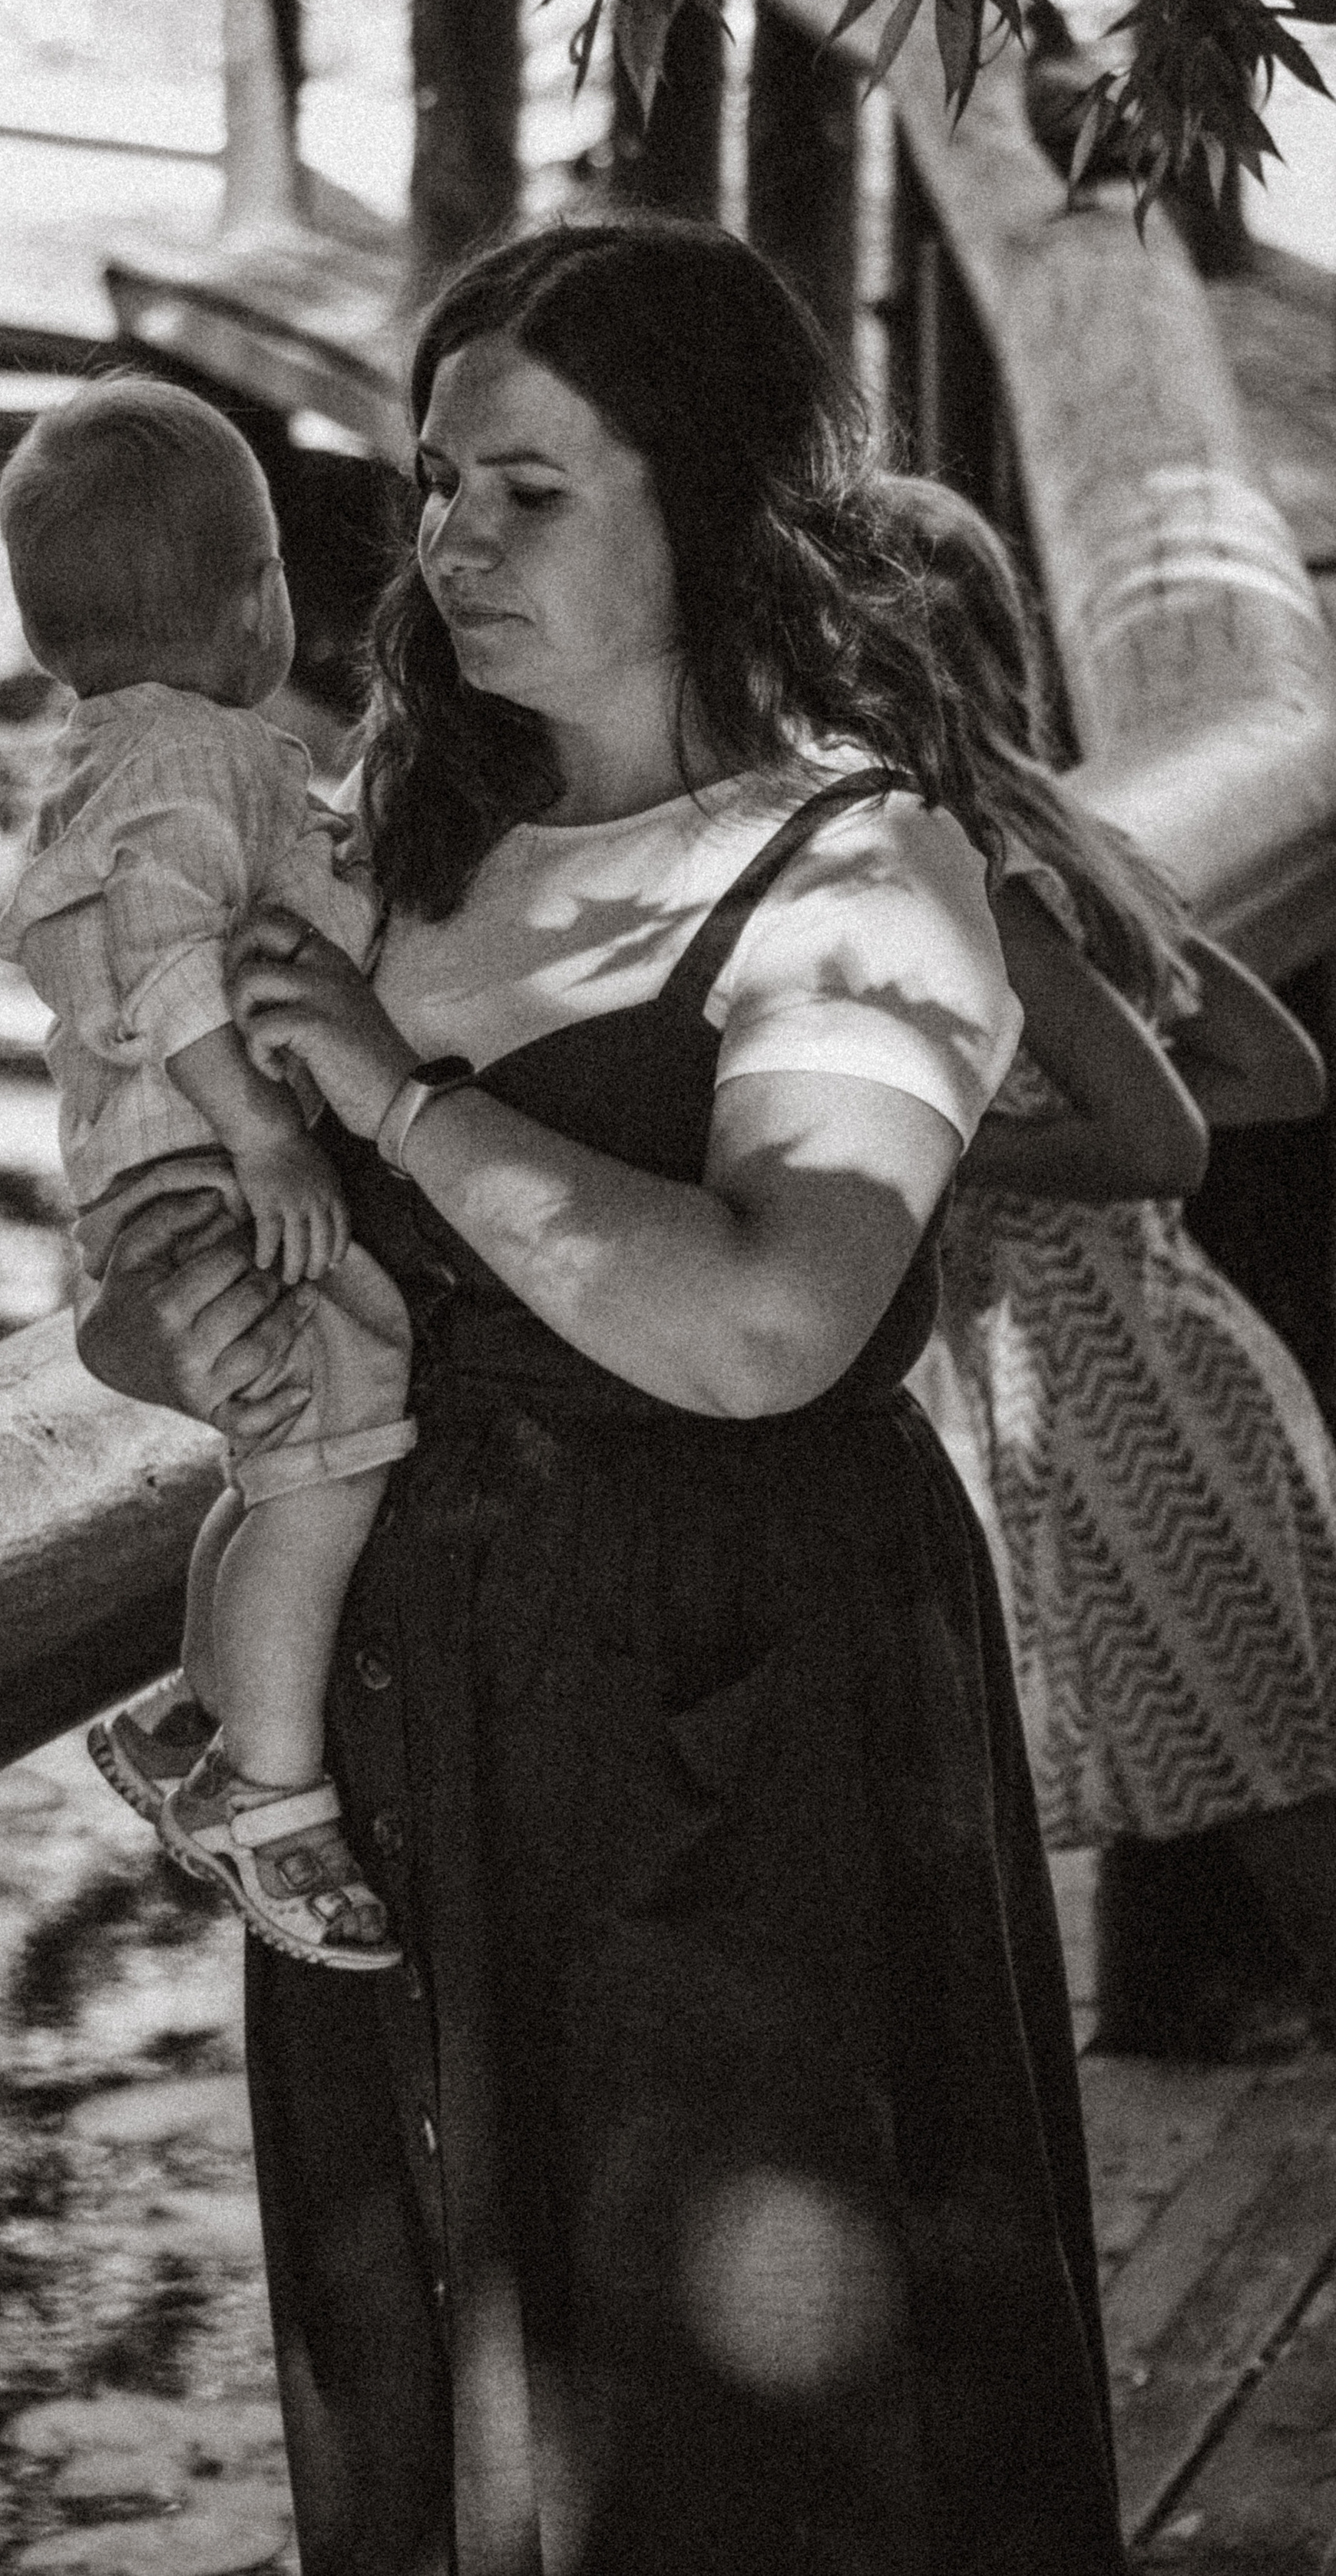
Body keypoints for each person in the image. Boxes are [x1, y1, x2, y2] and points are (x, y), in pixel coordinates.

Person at [73, 221, 1128, 2574]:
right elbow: (146, 1309)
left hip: (733, 1737)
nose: (447, 542)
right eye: (435, 484)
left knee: (760, 2444)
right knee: (443, 2406)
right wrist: (192, 1313)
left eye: (529, 491)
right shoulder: (366, 850)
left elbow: (768, 1325)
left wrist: (409, 1100)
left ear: (718, 509)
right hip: (391, 1757)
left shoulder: (858, 869)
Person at [888, 473, 1336, 2035]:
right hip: (1161, 1351)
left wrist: (942, 1146)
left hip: (1108, 1403)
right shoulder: (1061, 840)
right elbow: (1281, 1069)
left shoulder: (977, 886)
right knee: (1266, 1780)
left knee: (1284, 1816)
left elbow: (1164, 1140)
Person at [0, 375, 415, 1972]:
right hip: (201, 1178)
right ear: (262, 602)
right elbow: (163, 962)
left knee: (290, 1452)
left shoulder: (164, 749)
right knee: (331, 1438)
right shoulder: (183, 756)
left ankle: (196, 1707)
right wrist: (265, 1131)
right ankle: (268, 1791)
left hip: (182, 1181)